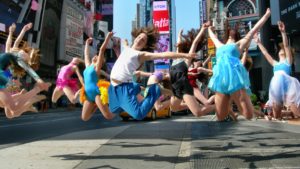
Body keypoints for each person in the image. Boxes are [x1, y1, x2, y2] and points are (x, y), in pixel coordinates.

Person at [108, 26, 196, 120]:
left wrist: (185, 55)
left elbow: (163, 54)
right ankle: (139, 89)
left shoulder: (140, 55)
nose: (139, 40)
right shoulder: (127, 48)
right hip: (113, 86)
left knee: (139, 114)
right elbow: (123, 43)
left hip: (124, 87)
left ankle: (156, 90)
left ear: (145, 46)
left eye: (143, 40)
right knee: (113, 110)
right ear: (135, 38)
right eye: (139, 37)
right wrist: (115, 39)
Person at [207, 8, 271, 120]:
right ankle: (230, 101)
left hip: (234, 80)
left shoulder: (239, 44)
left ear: (236, 35)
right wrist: (208, 28)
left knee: (248, 115)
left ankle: (241, 102)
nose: (232, 30)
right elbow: (212, 36)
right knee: (220, 116)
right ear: (227, 34)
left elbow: (253, 30)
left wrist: (266, 16)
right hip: (221, 80)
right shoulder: (220, 45)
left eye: (234, 31)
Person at [254, 21, 300, 119]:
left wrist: (283, 32)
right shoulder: (275, 64)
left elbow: (286, 45)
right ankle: (287, 114)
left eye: (284, 50)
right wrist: (258, 42)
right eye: (281, 50)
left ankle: (292, 113)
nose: (282, 50)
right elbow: (265, 53)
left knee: (297, 114)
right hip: (277, 89)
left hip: (289, 88)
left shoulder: (288, 61)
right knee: (276, 116)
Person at [170, 22, 215, 117]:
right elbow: (178, 43)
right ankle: (191, 105)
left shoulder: (188, 58)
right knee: (173, 108)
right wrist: (179, 34)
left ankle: (218, 105)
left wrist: (203, 29)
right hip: (175, 85)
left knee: (198, 113)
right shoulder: (176, 56)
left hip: (183, 85)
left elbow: (195, 42)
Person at [81, 32, 115, 121]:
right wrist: (87, 43)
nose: (95, 56)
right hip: (88, 96)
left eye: (97, 56)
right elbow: (86, 55)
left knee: (108, 116)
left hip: (96, 94)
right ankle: (95, 106)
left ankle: (121, 107)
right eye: (95, 56)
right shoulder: (88, 66)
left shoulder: (97, 68)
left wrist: (107, 37)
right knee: (84, 118)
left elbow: (102, 50)